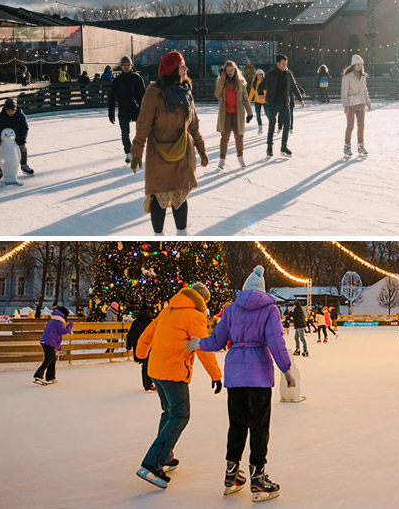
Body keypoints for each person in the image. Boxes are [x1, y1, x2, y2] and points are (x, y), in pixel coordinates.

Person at [187, 266, 295, 503]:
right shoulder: (270, 309)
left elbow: (216, 340)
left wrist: (198, 344)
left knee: (236, 425)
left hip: (235, 375)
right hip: (258, 375)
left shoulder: (232, 309)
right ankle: (258, 478)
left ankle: (231, 475)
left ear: (245, 289)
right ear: (263, 290)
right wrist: (286, 369)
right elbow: (275, 342)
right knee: (259, 426)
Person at [135, 285, 223, 489]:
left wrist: (141, 353)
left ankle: (165, 456)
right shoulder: (194, 315)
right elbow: (203, 346)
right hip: (174, 371)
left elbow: (148, 333)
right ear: (202, 301)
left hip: (156, 369)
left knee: (169, 412)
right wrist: (216, 374)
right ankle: (152, 463)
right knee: (180, 415)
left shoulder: (169, 309)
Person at [131, 51, 209, 236]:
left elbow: (194, 124)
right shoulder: (154, 94)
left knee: (180, 196)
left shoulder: (185, 91)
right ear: (172, 70)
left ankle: (182, 234)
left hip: (183, 153)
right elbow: (143, 126)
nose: (186, 69)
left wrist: (202, 149)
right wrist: (136, 154)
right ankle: (158, 237)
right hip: (159, 154)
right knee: (160, 196)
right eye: (182, 66)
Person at [258, 54, 304, 158]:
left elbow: (294, 86)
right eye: (283, 64)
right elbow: (261, 85)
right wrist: (261, 93)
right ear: (277, 63)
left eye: (286, 64)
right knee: (272, 125)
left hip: (284, 103)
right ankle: (269, 147)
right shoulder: (270, 74)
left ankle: (284, 146)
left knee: (287, 125)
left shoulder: (288, 74)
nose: (285, 66)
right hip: (272, 103)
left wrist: (300, 98)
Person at [215, 60, 254, 172]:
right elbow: (217, 94)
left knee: (239, 136)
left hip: (238, 114)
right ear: (225, 71)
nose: (230, 72)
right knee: (225, 137)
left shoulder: (241, 82)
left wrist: (250, 113)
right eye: (228, 70)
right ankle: (222, 159)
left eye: (232, 70)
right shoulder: (221, 81)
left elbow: (245, 99)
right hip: (226, 114)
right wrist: (221, 81)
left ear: (235, 70)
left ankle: (240, 157)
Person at [109, 56, 146, 165]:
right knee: (125, 134)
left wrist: (143, 110)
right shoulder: (117, 80)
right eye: (124, 65)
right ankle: (128, 153)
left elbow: (143, 96)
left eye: (128, 65)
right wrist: (111, 112)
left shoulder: (137, 79)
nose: (126, 67)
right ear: (121, 66)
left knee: (141, 132)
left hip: (136, 110)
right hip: (123, 111)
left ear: (131, 66)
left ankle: (137, 151)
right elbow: (112, 97)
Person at [0, 98, 34, 178]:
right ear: (5, 109)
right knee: (2, 151)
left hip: (17, 137)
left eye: (12, 110)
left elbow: (25, 128)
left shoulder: (21, 116)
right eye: (8, 110)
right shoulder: (1, 116)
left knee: (22, 148)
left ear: (15, 109)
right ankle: (1, 168)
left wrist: (23, 138)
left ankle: (24, 165)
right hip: (5, 138)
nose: (10, 112)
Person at [33, 306, 74, 385]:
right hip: (49, 343)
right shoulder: (58, 321)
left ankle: (51, 377)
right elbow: (63, 331)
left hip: (47, 342)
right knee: (49, 359)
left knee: (52, 359)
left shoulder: (54, 320)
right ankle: (38, 375)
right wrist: (70, 325)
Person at [341, 54, 371, 157]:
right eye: (357, 64)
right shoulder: (347, 77)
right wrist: (345, 106)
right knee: (350, 125)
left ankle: (360, 145)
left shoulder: (363, 76)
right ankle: (347, 146)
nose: (359, 66)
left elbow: (365, 90)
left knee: (361, 125)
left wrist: (368, 102)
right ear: (353, 65)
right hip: (350, 104)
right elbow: (344, 92)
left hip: (361, 103)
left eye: (361, 64)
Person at [125, 305, 155, 391]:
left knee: (144, 365)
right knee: (148, 365)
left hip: (139, 347)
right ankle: (149, 384)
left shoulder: (135, 323)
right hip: (149, 347)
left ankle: (147, 384)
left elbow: (130, 335)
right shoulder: (151, 323)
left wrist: (128, 346)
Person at [248, 69, 267, 135]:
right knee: (258, 115)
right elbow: (252, 93)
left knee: (268, 114)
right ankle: (260, 128)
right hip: (257, 101)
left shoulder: (265, 82)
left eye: (260, 75)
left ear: (263, 75)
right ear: (256, 76)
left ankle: (272, 128)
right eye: (257, 75)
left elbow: (268, 92)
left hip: (265, 101)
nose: (259, 76)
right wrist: (248, 101)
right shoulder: (254, 83)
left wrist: (267, 98)